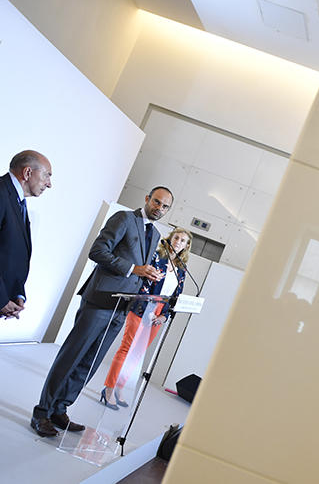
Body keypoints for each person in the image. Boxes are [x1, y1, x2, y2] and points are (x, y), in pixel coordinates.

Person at [30, 186, 173, 437]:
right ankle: (42, 412)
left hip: (122, 307)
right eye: (157, 202)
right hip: (99, 300)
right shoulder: (124, 219)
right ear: (147, 199)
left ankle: (60, 409)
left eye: (165, 206)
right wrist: (133, 269)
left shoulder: (156, 233)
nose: (159, 208)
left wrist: (148, 275)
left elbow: (140, 268)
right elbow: (97, 251)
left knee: (90, 363)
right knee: (71, 357)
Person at [100, 227, 191, 408]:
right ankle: (108, 388)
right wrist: (148, 307)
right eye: (176, 238)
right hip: (142, 307)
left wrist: (164, 316)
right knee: (126, 348)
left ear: (186, 246)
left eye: (182, 240)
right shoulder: (156, 257)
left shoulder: (182, 269)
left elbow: (176, 295)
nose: (178, 242)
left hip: (159, 312)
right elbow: (142, 283)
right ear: (170, 239)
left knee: (138, 353)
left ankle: (120, 387)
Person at [0, 150, 52, 319]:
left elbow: (11, 254)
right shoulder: (1, 193)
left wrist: (17, 294)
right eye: (46, 176)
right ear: (28, 172)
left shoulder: (18, 201)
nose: (49, 184)